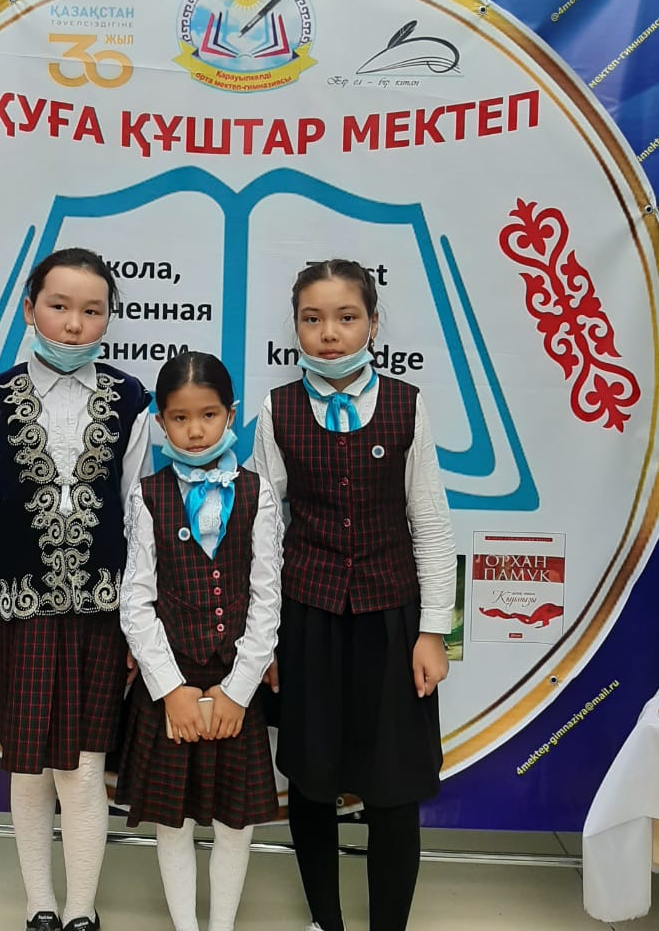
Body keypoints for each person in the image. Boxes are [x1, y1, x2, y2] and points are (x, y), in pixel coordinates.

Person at [0, 248, 153, 931]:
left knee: (85, 768)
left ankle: (81, 910)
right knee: (28, 768)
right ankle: (39, 904)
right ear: (29, 308)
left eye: (92, 311)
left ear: (108, 318)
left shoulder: (130, 399)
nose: (73, 324)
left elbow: (138, 514)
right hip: (16, 610)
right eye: (59, 306)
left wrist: (139, 624)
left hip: (101, 614)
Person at [252, 259, 456, 931]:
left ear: (372, 322)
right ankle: (327, 921)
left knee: (394, 785)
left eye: (346, 317)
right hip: (307, 619)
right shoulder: (278, 408)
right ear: (296, 326)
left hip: (391, 618)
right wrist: (264, 640)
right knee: (311, 782)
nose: (329, 333)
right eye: (312, 319)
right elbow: (263, 530)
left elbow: (431, 523)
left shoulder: (405, 403)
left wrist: (433, 632)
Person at [115, 351, 283, 931]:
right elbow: (135, 601)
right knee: (173, 820)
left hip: (237, 681)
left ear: (230, 414)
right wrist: (170, 689)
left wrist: (239, 689)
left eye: (208, 415)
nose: (194, 430)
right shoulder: (147, 495)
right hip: (172, 683)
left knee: (237, 823)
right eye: (179, 418)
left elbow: (267, 597)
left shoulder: (258, 493)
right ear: (161, 422)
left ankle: (221, 926)